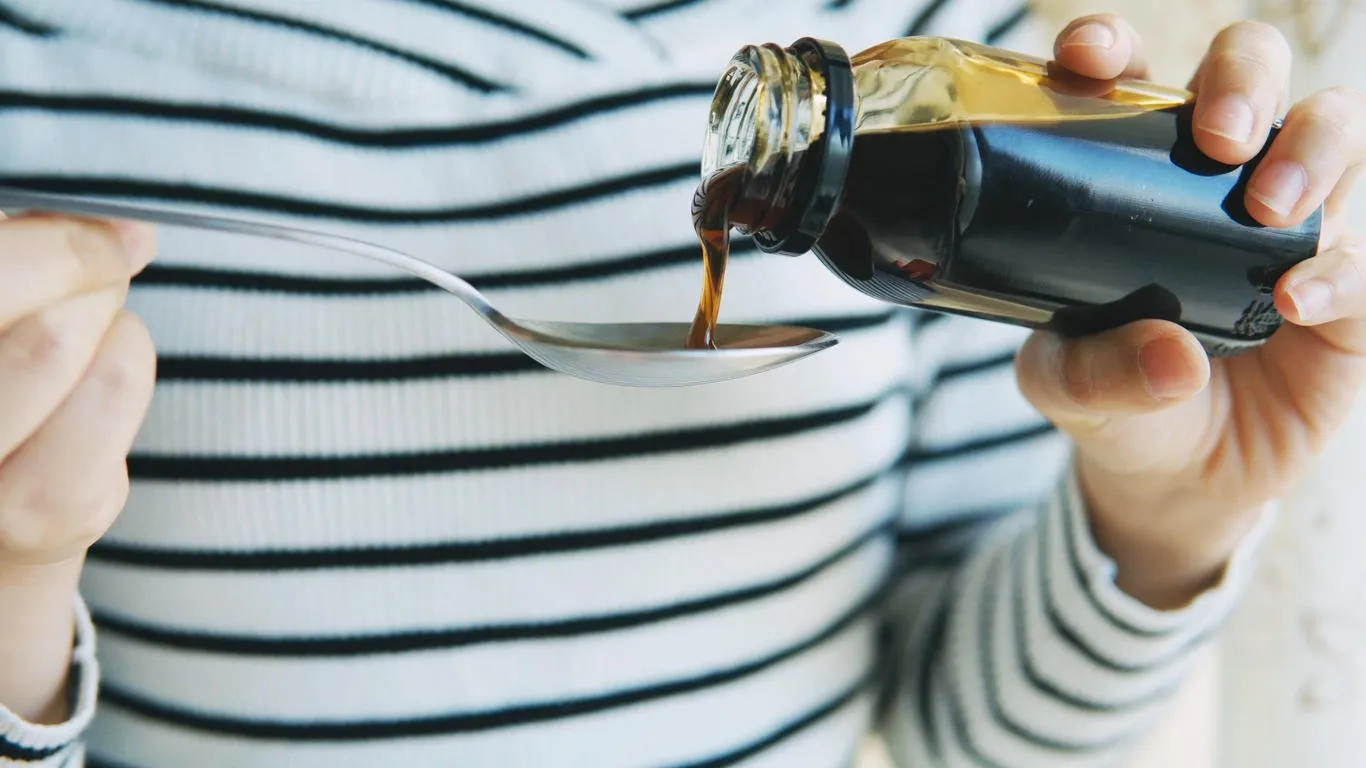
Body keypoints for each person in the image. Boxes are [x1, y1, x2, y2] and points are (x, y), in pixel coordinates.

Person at [0, 1, 1360, 766]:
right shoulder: (46, 68)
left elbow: (975, 738)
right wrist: (14, 594)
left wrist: (1161, 520)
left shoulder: (942, 52)